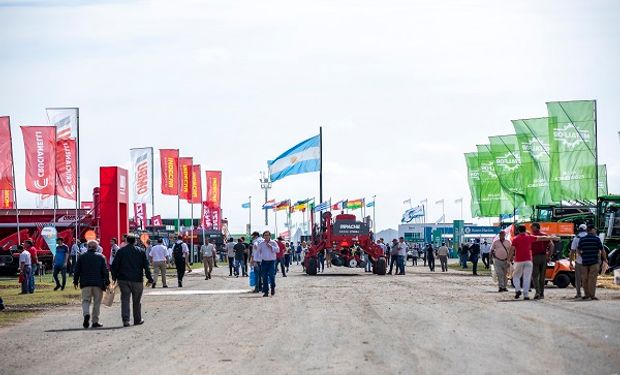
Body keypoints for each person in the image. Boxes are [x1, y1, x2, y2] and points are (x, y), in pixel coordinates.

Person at [111, 234, 153, 327]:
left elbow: (114, 265)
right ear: (135, 241)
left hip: (123, 279)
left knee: (125, 299)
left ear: (126, 241)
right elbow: (146, 266)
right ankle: (137, 319)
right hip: (137, 280)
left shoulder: (121, 251)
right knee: (137, 301)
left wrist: (114, 277)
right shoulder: (141, 251)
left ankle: (126, 320)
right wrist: (150, 278)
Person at [509, 225, 556, 300]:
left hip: (524, 259)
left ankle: (519, 290)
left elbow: (512, 250)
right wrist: (552, 238)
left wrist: (508, 259)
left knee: (520, 276)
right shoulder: (530, 237)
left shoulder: (517, 238)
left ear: (518, 230)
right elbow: (545, 241)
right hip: (534, 259)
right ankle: (528, 294)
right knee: (530, 277)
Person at [73, 240, 110, 329]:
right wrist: (107, 281)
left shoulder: (82, 257)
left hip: (85, 283)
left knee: (85, 300)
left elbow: (77, 270)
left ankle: (86, 314)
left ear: (87, 247)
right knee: (97, 302)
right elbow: (105, 271)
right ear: (96, 248)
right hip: (98, 283)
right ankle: (95, 321)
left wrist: (75, 281)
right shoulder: (101, 257)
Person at [578, 225, 608, 300]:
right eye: (595, 229)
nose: (595, 231)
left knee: (585, 279)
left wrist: (582, 256)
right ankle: (592, 295)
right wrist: (605, 259)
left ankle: (586, 294)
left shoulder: (582, 239)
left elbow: (578, 250)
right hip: (594, 262)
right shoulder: (597, 239)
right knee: (592, 279)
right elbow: (602, 250)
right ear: (591, 230)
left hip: (585, 262)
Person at [530, 222, 554, 300]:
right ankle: (542, 294)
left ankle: (537, 292)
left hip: (535, 257)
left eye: (532, 227)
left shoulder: (532, 236)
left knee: (534, 276)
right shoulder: (545, 235)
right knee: (542, 277)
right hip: (544, 257)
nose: (531, 228)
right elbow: (552, 245)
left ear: (536, 227)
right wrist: (549, 255)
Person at [256, 231, 279, 297]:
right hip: (264, 262)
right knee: (264, 277)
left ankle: (272, 288)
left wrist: (271, 247)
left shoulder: (273, 242)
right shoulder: (261, 244)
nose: (266, 236)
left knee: (272, 276)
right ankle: (266, 291)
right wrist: (256, 260)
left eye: (267, 235)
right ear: (263, 236)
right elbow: (257, 252)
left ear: (270, 236)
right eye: (265, 235)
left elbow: (278, 250)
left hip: (272, 261)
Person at [570, 224, 588, 299]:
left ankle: (578, 293)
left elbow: (572, 251)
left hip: (579, 261)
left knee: (578, 278)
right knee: (586, 278)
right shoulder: (589, 237)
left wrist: (571, 261)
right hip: (588, 261)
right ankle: (587, 293)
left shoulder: (576, 238)